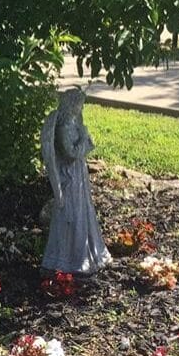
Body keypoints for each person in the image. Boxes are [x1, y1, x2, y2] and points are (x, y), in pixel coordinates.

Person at [40, 88, 111, 275]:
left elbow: (88, 147)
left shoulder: (76, 124)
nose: (81, 108)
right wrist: (83, 139)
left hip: (79, 175)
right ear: (71, 104)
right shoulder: (63, 128)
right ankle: (68, 257)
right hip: (69, 178)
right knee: (71, 213)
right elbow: (71, 153)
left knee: (82, 211)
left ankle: (87, 252)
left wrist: (86, 137)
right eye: (78, 104)